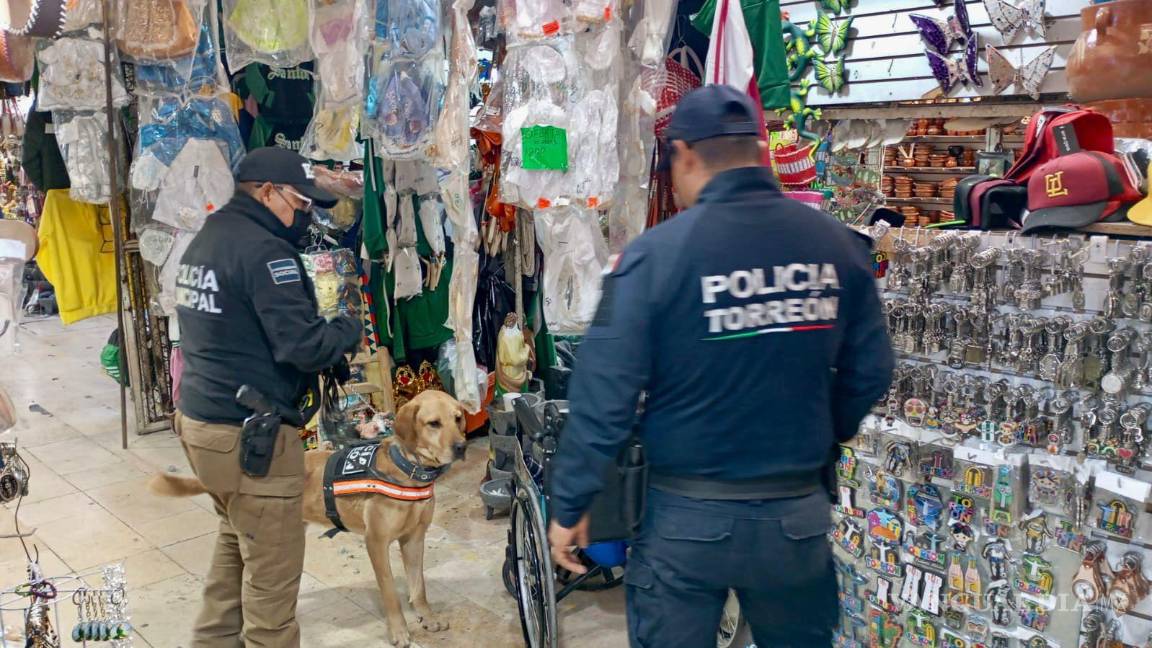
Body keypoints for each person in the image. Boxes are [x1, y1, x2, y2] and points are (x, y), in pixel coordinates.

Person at [547, 85, 894, 648]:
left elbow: (602, 396)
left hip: (687, 522)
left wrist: (572, 501)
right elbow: (872, 371)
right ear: (760, 152)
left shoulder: (653, 258)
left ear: (684, 155)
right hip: (796, 518)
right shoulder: (836, 247)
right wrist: (821, 435)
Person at [174, 147, 361, 648]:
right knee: (272, 602)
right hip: (250, 440)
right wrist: (347, 328)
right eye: (301, 205)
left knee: (232, 563)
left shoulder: (208, 239)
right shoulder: (265, 252)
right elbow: (302, 345)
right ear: (267, 191)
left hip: (203, 426)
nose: (306, 217)